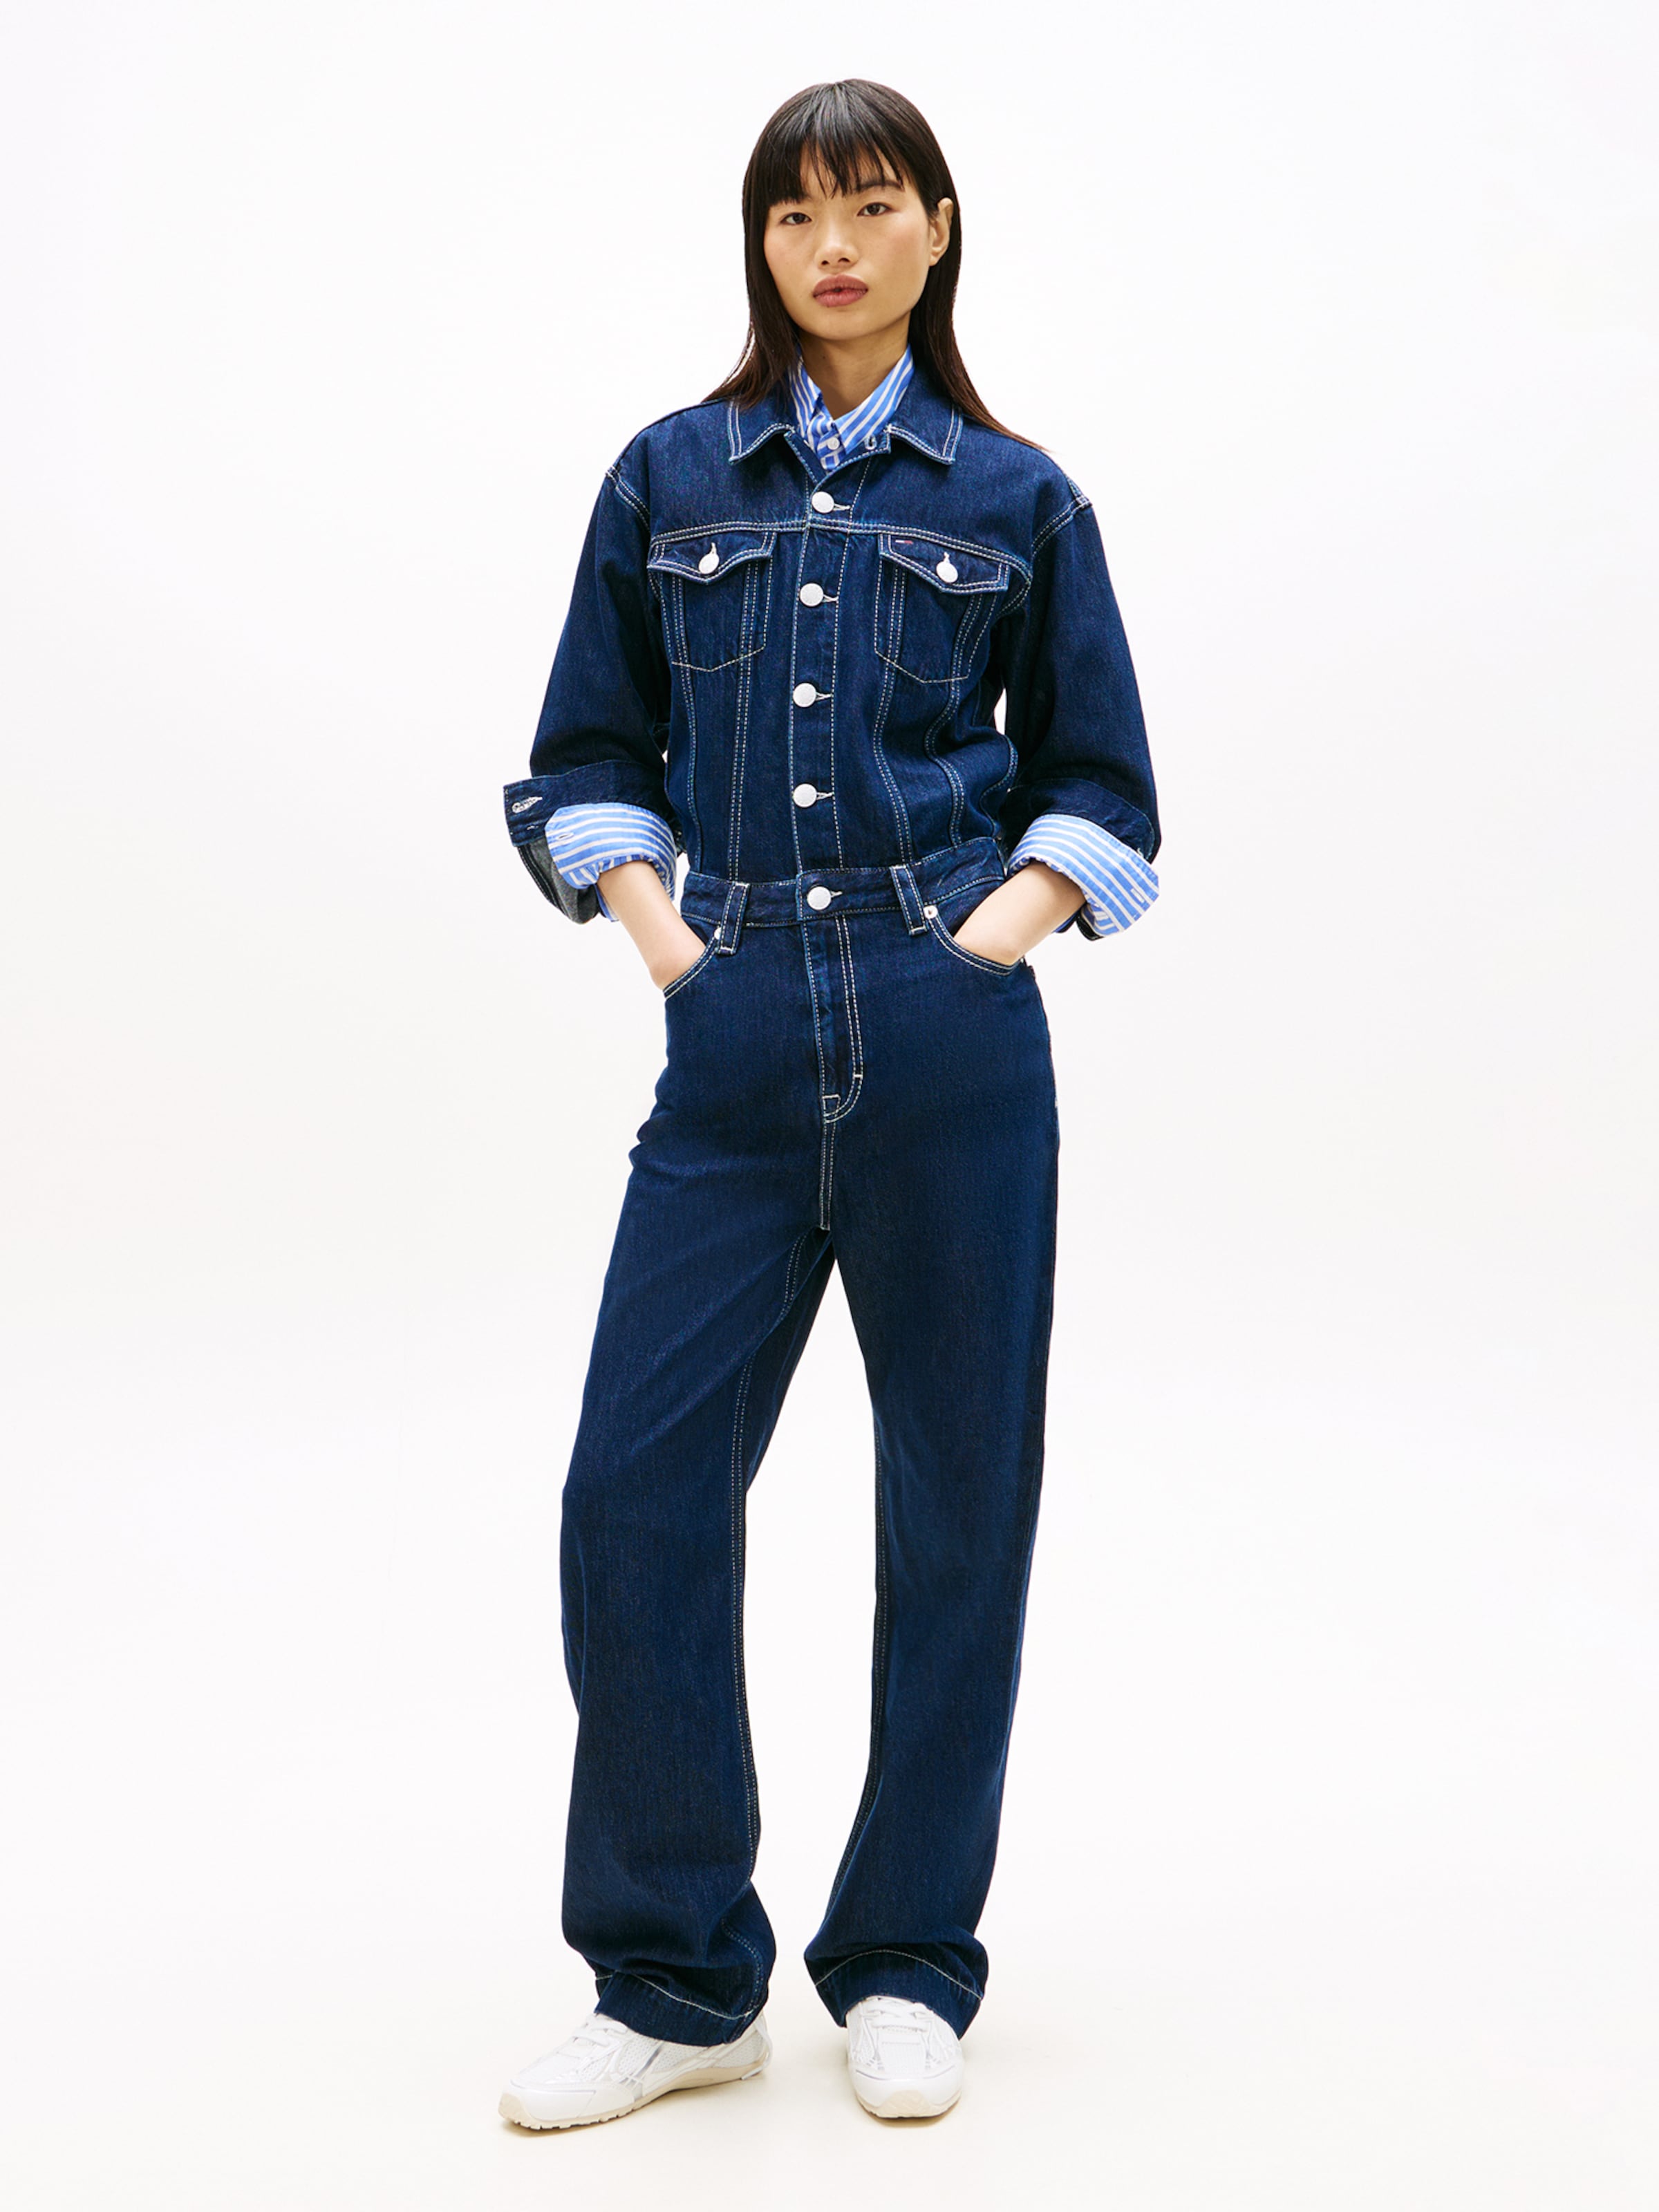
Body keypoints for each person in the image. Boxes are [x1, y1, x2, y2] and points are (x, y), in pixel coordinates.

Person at [497, 77, 1161, 2130]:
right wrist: (675, 952)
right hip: (733, 1033)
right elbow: (581, 759)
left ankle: (906, 1962)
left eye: (871, 206)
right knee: (632, 1491)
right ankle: (680, 1975)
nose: (834, 248)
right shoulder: (670, 474)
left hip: (953, 1043)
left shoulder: (1021, 498)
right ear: (760, 243)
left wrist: (981, 945)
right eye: (796, 215)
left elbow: (1106, 794)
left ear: (937, 228)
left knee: (957, 1506)